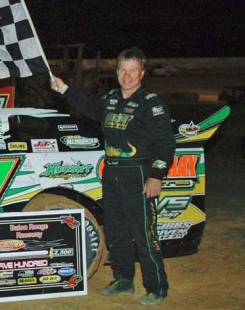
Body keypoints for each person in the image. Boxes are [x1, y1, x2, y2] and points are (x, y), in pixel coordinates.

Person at [50, 48, 175, 306]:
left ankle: (156, 287)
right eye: (122, 70)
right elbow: (88, 106)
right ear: (116, 72)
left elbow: (165, 144)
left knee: (143, 233)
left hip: (139, 174)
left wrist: (156, 175)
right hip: (113, 172)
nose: (127, 76)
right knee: (116, 231)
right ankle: (123, 280)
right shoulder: (110, 98)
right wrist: (64, 89)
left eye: (133, 71)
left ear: (142, 73)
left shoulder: (151, 102)